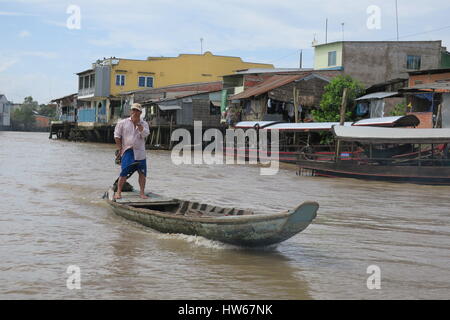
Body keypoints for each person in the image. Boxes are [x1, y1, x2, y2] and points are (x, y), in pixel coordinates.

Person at [113, 103, 150, 199]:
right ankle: (118, 192)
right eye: (133, 110)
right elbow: (117, 136)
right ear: (130, 111)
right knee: (124, 172)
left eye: (137, 110)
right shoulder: (122, 123)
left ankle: (142, 193)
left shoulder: (144, 123)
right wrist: (120, 149)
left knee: (142, 173)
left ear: (140, 112)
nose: (135, 112)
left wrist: (138, 124)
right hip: (128, 151)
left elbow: (145, 135)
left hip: (140, 152)